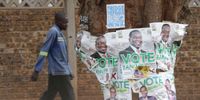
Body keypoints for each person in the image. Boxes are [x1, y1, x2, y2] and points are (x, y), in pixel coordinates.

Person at [31, 12, 74, 100]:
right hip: (59, 71)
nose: (66, 25)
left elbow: (63, 56)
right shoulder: (53, 32)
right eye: (64, 23)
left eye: (67, 22)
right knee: (69, 96)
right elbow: (44, 51)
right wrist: (37, 70)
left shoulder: (60, 34)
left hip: (60, 71)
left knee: (49, 95)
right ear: (57, 22)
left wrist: (69, 70)